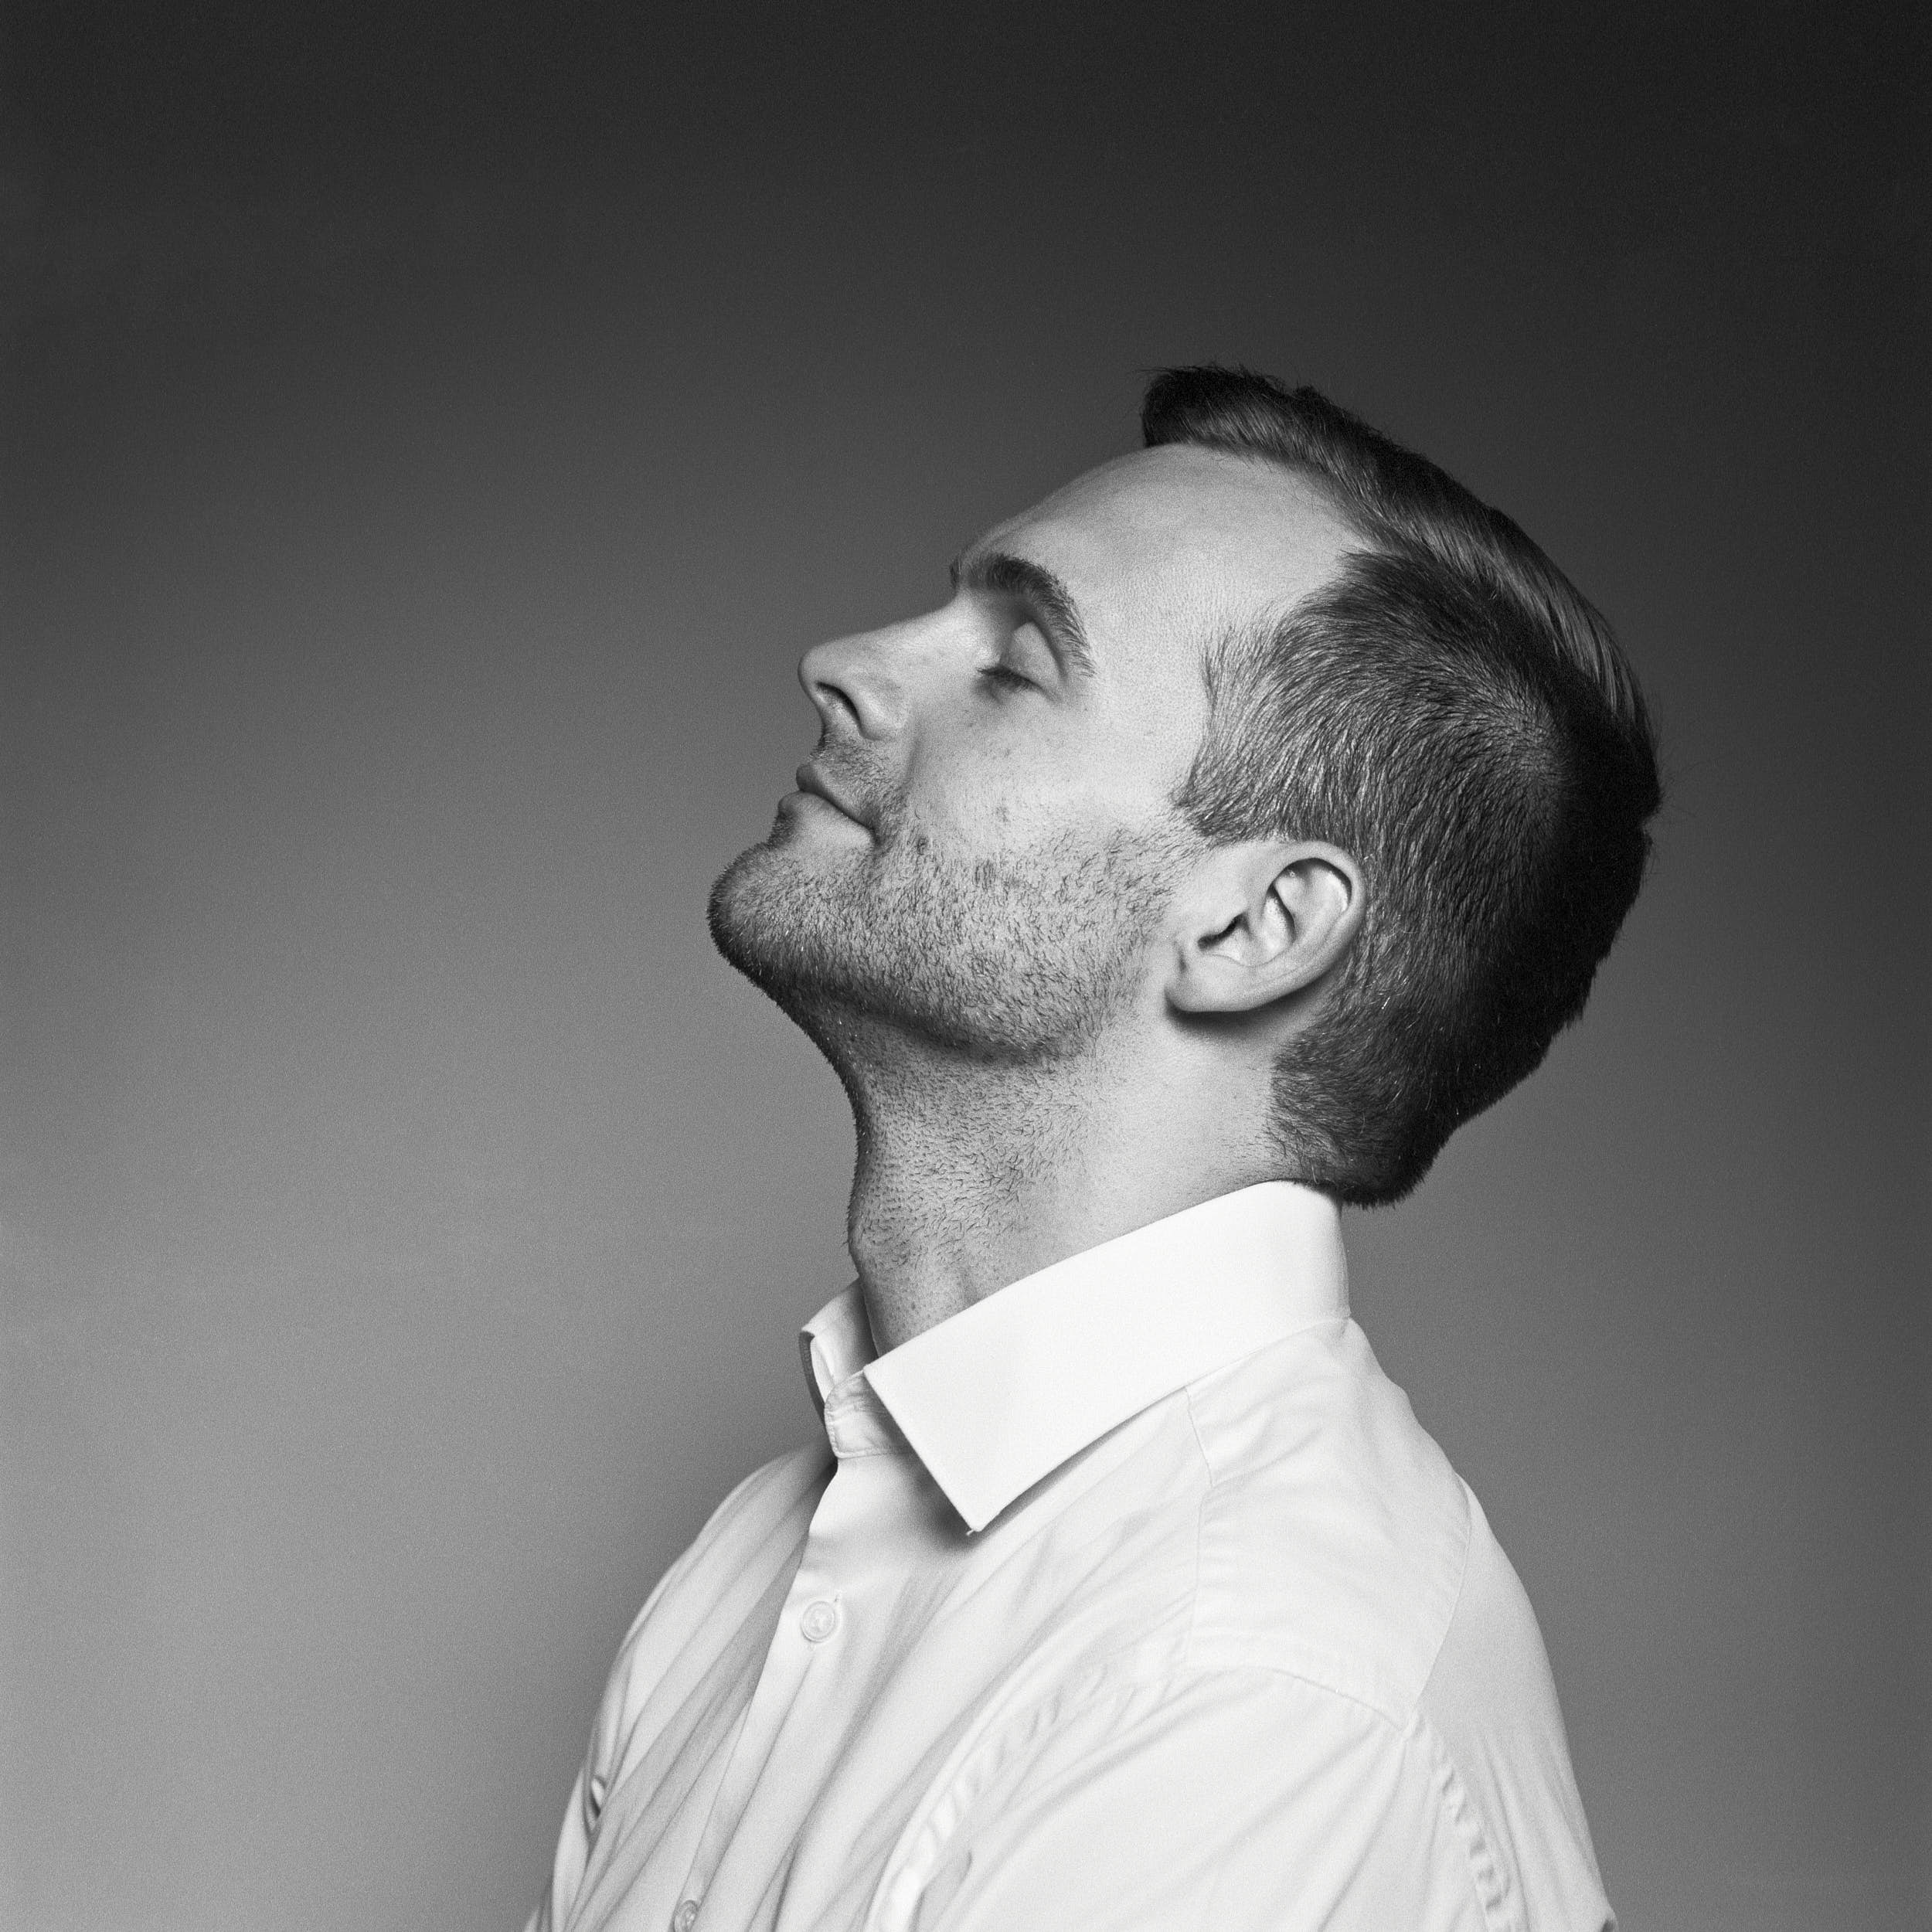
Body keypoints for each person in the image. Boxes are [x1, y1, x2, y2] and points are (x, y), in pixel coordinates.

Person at [526, 365, 1658, 1932]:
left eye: (1018, 663)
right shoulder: (765, 1557)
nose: (843, 665)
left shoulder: (1253, 1689)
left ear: (1255, 925)